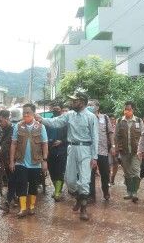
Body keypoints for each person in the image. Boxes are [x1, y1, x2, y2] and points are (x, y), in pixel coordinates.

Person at [35, 90, 98, 221]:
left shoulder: (91, 117)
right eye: (72, 100)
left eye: (75, 100)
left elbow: (95, 137)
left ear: (82, 102)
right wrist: (42, 120)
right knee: (69, 180)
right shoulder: (69, 115)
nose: (72, 102)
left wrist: (95, 157)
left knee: (85, 180)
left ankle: (84, 209)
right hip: (72, 148)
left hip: (86, 149)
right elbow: (56, 122)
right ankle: (79, 198)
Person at [9, 103, 49, 217]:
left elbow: (45, 144)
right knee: (21, 184)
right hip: (20, 161)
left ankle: (31, 207)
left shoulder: (41, 127)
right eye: (24, 112)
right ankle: (22, 208)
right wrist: (12, 161)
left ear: (33, 113)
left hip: (35, 162)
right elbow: (13, 144)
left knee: (33, 185)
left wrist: (44, 160)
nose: (25, 114)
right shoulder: (18, 126)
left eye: (28, 112)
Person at [115, 101, 143, 203]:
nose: (126, 111)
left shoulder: (139, 121)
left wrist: (142, 150)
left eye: (129, 109)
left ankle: (135, 192)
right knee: (127, 173)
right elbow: (116, 137)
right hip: (124, 152)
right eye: (125, 109)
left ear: (133, 110)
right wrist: (116, 150)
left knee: (136, 172)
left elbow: (143, 137)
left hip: (136, 152)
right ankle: (129, 192)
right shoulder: (119, 121)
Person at [88, 99, 114, 202]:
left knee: (105, 173)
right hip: (90, 151)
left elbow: (110, 133)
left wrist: (113, 146)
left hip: (102, 150)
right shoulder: (87, 118)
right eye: (88, 105)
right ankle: (91, 195)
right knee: (90, 174)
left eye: (91, 105)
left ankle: (106, 191)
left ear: (97, 107)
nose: (89, 107)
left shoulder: (105, 118)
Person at [0, 110, 16, 213]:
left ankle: (7, 202)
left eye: (1, 121)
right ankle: (15, 199)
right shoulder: (3, 130)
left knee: (12, 181)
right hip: (6, 160)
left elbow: (5, 144)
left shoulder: (13, 129)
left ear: (7, 119)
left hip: (14, 160)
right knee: (11, 180)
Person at [46, 104, 68, 201]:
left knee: (60, 171)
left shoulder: (65, 122)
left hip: (62, 150)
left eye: (57, 108)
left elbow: (70, 136)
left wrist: (62, 141)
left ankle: (58, 192)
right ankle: (56, 189)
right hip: (50, 149)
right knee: (52, 171)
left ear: (60, 110)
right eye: (53, 108)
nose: (55, 110)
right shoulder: (47, 122)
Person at [109, 116, 120, 185]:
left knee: (116, 164)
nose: (112, 120)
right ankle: (108, 178)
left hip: (116, 148)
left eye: (113, 119)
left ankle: (112, 178)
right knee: (108, 164)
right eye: (111, 119)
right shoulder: (106, 127)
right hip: (107, 148)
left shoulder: (117, 127)